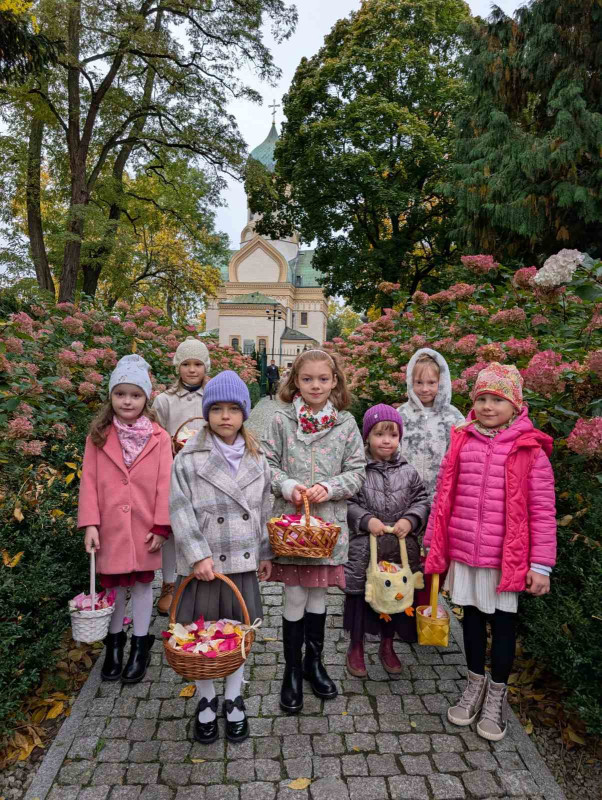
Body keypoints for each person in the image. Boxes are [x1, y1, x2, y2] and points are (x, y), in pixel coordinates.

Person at [424, 363, 557, 741]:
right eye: (481, 398)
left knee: (502, 626)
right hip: (466, 551)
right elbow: (444, 495)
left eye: (497, 400)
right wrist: (434, 540)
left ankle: (496, 694)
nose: (487, 406)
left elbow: (542, 510)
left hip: (506, 559)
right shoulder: (462, 440)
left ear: (515, 405)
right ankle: (474, 684)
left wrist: (541, 564)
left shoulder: (530, 449)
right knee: (470, 620)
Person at [169, 371, 273, 745]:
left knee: (237, 633)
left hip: (241, 564)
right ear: (207, 413)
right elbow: (179, 509)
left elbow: (263, 508)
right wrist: (198, 555)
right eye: (217, 409)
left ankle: (233, 696)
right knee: (200, 635)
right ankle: (206, 698)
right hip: (205, 566)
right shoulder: (188, 458)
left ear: (244, 413)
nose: (225, 416)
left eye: (233, 408)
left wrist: (265, 551)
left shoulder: (258, 456)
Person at [262, 348, 366, 713]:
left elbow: (357, 470)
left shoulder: (346, 424)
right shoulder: (281, 421)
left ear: (335, 381)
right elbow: (265, 463)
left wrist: (331, 486)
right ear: (296, 381)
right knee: (294, 597)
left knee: (319, 598)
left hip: (327, 529)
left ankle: (314, 662)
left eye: (323, 379)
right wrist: (287, 484)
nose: (316, 385)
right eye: (307, 379)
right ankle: (291, 669)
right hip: (292, 530)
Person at [78, 354, 173, 684]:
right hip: (111, 528)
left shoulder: (159, 437)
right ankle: (114, 644)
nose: (127, 401)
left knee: (144, 586)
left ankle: (140, 645)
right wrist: (90, 524)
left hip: (145, 527)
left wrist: (161, 526)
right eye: (120, 394)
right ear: (111, 396)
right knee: (115, 589)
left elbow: (165, 484)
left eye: (135, 394)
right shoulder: (99, 436)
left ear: (146, 398)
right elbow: (89, 482)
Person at [344, 405, 430, 677]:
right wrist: (365, 519)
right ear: (367, 436)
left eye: (393, 435)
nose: (386, 441)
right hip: (365, 551)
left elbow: (422, 500)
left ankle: (387, 644)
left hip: (398, 551)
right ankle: (356, 646)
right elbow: (347, 501)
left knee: (394, 597)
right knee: (362, 599)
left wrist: (411, 520)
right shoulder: (357, 470)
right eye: (379, 434)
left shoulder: (408, 471)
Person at [152, 337, 211, 616]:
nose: (192, 369)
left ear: (205, 366)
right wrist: (170, 447)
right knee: (173, 527)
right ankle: (168, 583)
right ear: (178, 367)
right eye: (186, 364)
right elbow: (155, 436)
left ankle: (198, 580)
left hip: (205, 471)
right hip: (173, 470)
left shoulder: (212, 396)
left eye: (197, 364)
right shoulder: (165, 401)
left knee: (201, 524)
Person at [398, 348, 465, 502]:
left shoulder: (453, 417)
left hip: (442, 495)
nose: (424, 389)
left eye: (431, 383)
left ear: (441, 382)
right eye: (419, 382)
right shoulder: (400, 415)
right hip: (405, 494)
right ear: (410, 382)